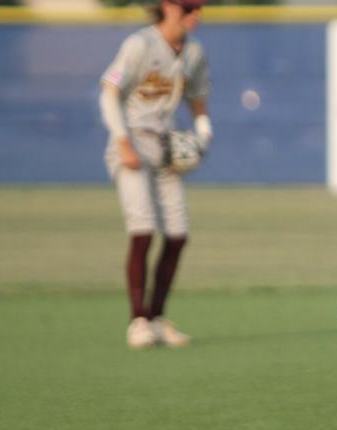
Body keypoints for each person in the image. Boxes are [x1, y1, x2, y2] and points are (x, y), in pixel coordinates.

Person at [100, 0, 212, 349]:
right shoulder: (140, 44)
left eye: (199, 8)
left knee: (177, 234)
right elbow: (109, 93)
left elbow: (198, 98)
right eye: (188, 7)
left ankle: (157, 318)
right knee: (143, 230)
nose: (195, 14)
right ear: (167, 6)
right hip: (133, 140)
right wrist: (122, 142)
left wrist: (203, 135)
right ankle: (138, 322)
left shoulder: (194, 52)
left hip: (166, 147)